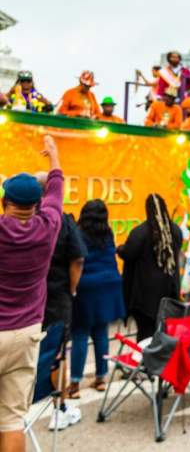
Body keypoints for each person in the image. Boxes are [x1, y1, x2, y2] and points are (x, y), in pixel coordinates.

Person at [0, 135, 62, 452]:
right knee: (12, 420)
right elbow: (56, 189)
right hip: (26, 334)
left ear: (4, 203)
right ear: (36, 206)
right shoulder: (48, 227)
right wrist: (53, 156)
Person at [67, 200, 125, 398]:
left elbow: (76, 259)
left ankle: (74, 384)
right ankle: (101, 378)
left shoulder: (78, 232)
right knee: (101, 332)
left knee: (80, 334)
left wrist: (72, 288)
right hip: (109, 284)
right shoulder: (107, 233)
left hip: (86, 286)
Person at [40, 210, 87, 429]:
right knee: (57, 351)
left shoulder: (11, 221)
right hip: (56, 297)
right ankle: (59, 409)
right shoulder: (62, 220)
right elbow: (77, 258)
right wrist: (72, 289)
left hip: (20, 299)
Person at [118, 194, 182, 342]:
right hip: (169, 292)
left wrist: (119, 249)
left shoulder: (140, 232)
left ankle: (146, 363)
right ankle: (161, 362)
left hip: (145, 297)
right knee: (164, 332)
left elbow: (129, 253)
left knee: (145, 335)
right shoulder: (175, 231)